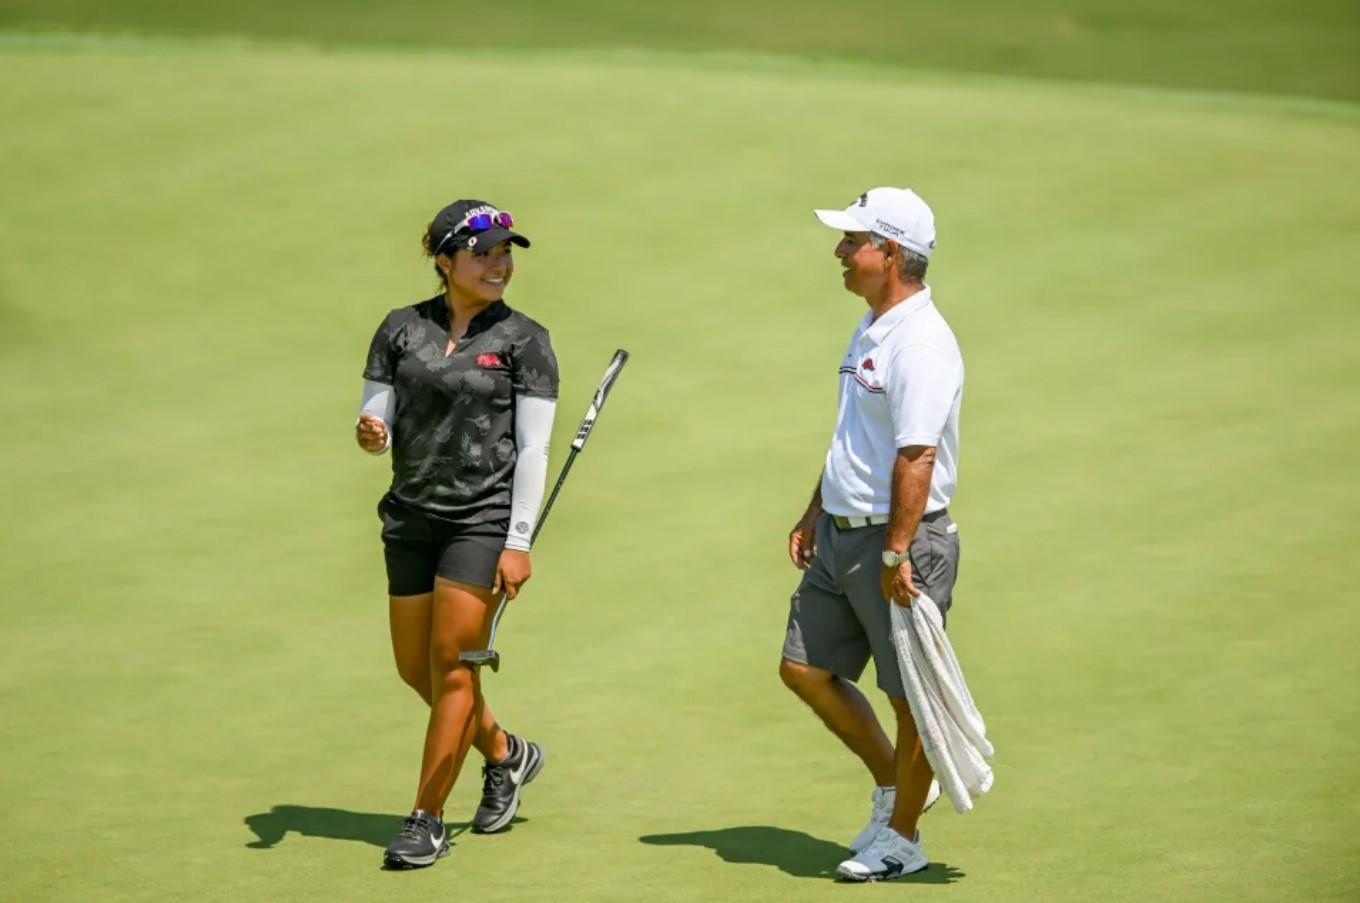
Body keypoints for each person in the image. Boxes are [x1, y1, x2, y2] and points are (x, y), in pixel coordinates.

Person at [355, 199, 560, 869]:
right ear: (445, 261)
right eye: (484, 253)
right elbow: (374, 413)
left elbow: (533, 450)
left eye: (507, 252)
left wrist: (518, 541)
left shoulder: (526, 340)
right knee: (416, 668)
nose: (500, 264)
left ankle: (427, 817)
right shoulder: (399, 328)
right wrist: (370, 430)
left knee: (451, 668)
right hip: (410, 516)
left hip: (481, 520)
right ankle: (505, 752)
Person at [779, 187, 965, 882]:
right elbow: (856, 438)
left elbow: (916, 455)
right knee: (803, 667)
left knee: (907, 696)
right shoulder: (873, 323)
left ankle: (904, 836)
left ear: (889, 253)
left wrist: (896, 549)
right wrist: (815, 508)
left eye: (852, 241)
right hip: (841, 532)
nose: (839, 252)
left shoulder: (922, 343)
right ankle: (900, 786)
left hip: (899, 544)